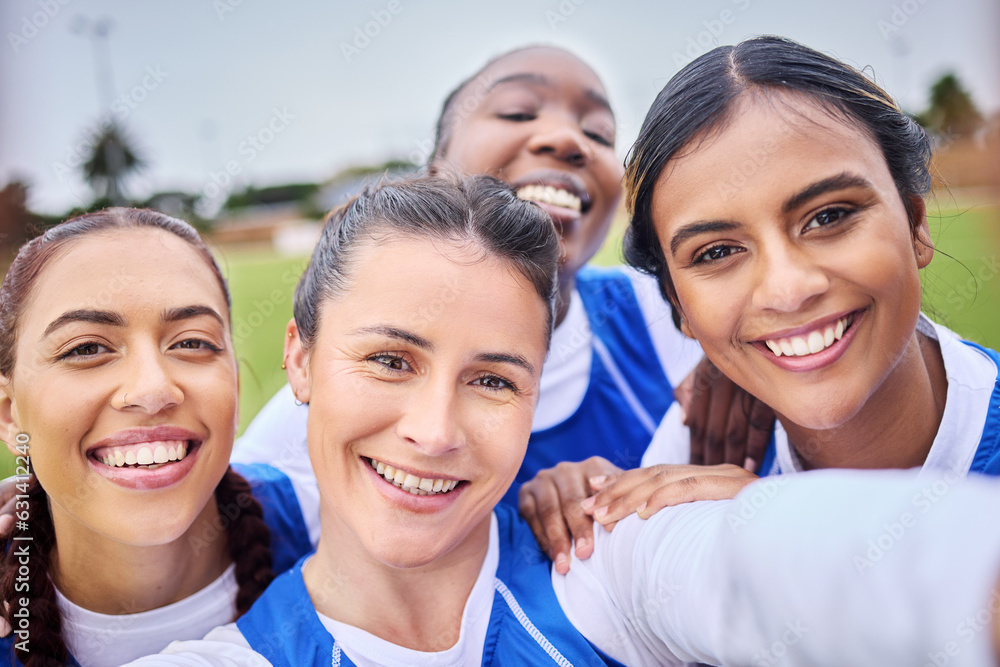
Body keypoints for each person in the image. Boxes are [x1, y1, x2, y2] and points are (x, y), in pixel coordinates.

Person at [125, 178, 1000, 667]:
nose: (434, 430)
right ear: (301, 359)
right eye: (391, 361)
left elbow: (856, 569)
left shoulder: (607, 564)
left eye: (494, 380)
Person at [233, 46, 772, 547]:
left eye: (600, 133)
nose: (567, 140)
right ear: (437, 171)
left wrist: (746, 365)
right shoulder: (326, 404)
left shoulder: (668, 319)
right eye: (517, 112)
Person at [522, 32, 1000, 558]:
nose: (787, 290)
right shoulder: (692, 460)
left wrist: (791, 523)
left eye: (829, 216)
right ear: (680, 307)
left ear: (915, 224)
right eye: (717, 252)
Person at [0, 209, 316, 666]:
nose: (152, 390)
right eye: (87, 348)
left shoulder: (327, 524)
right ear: (10, 414)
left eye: (192, 342)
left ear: (236, 388)